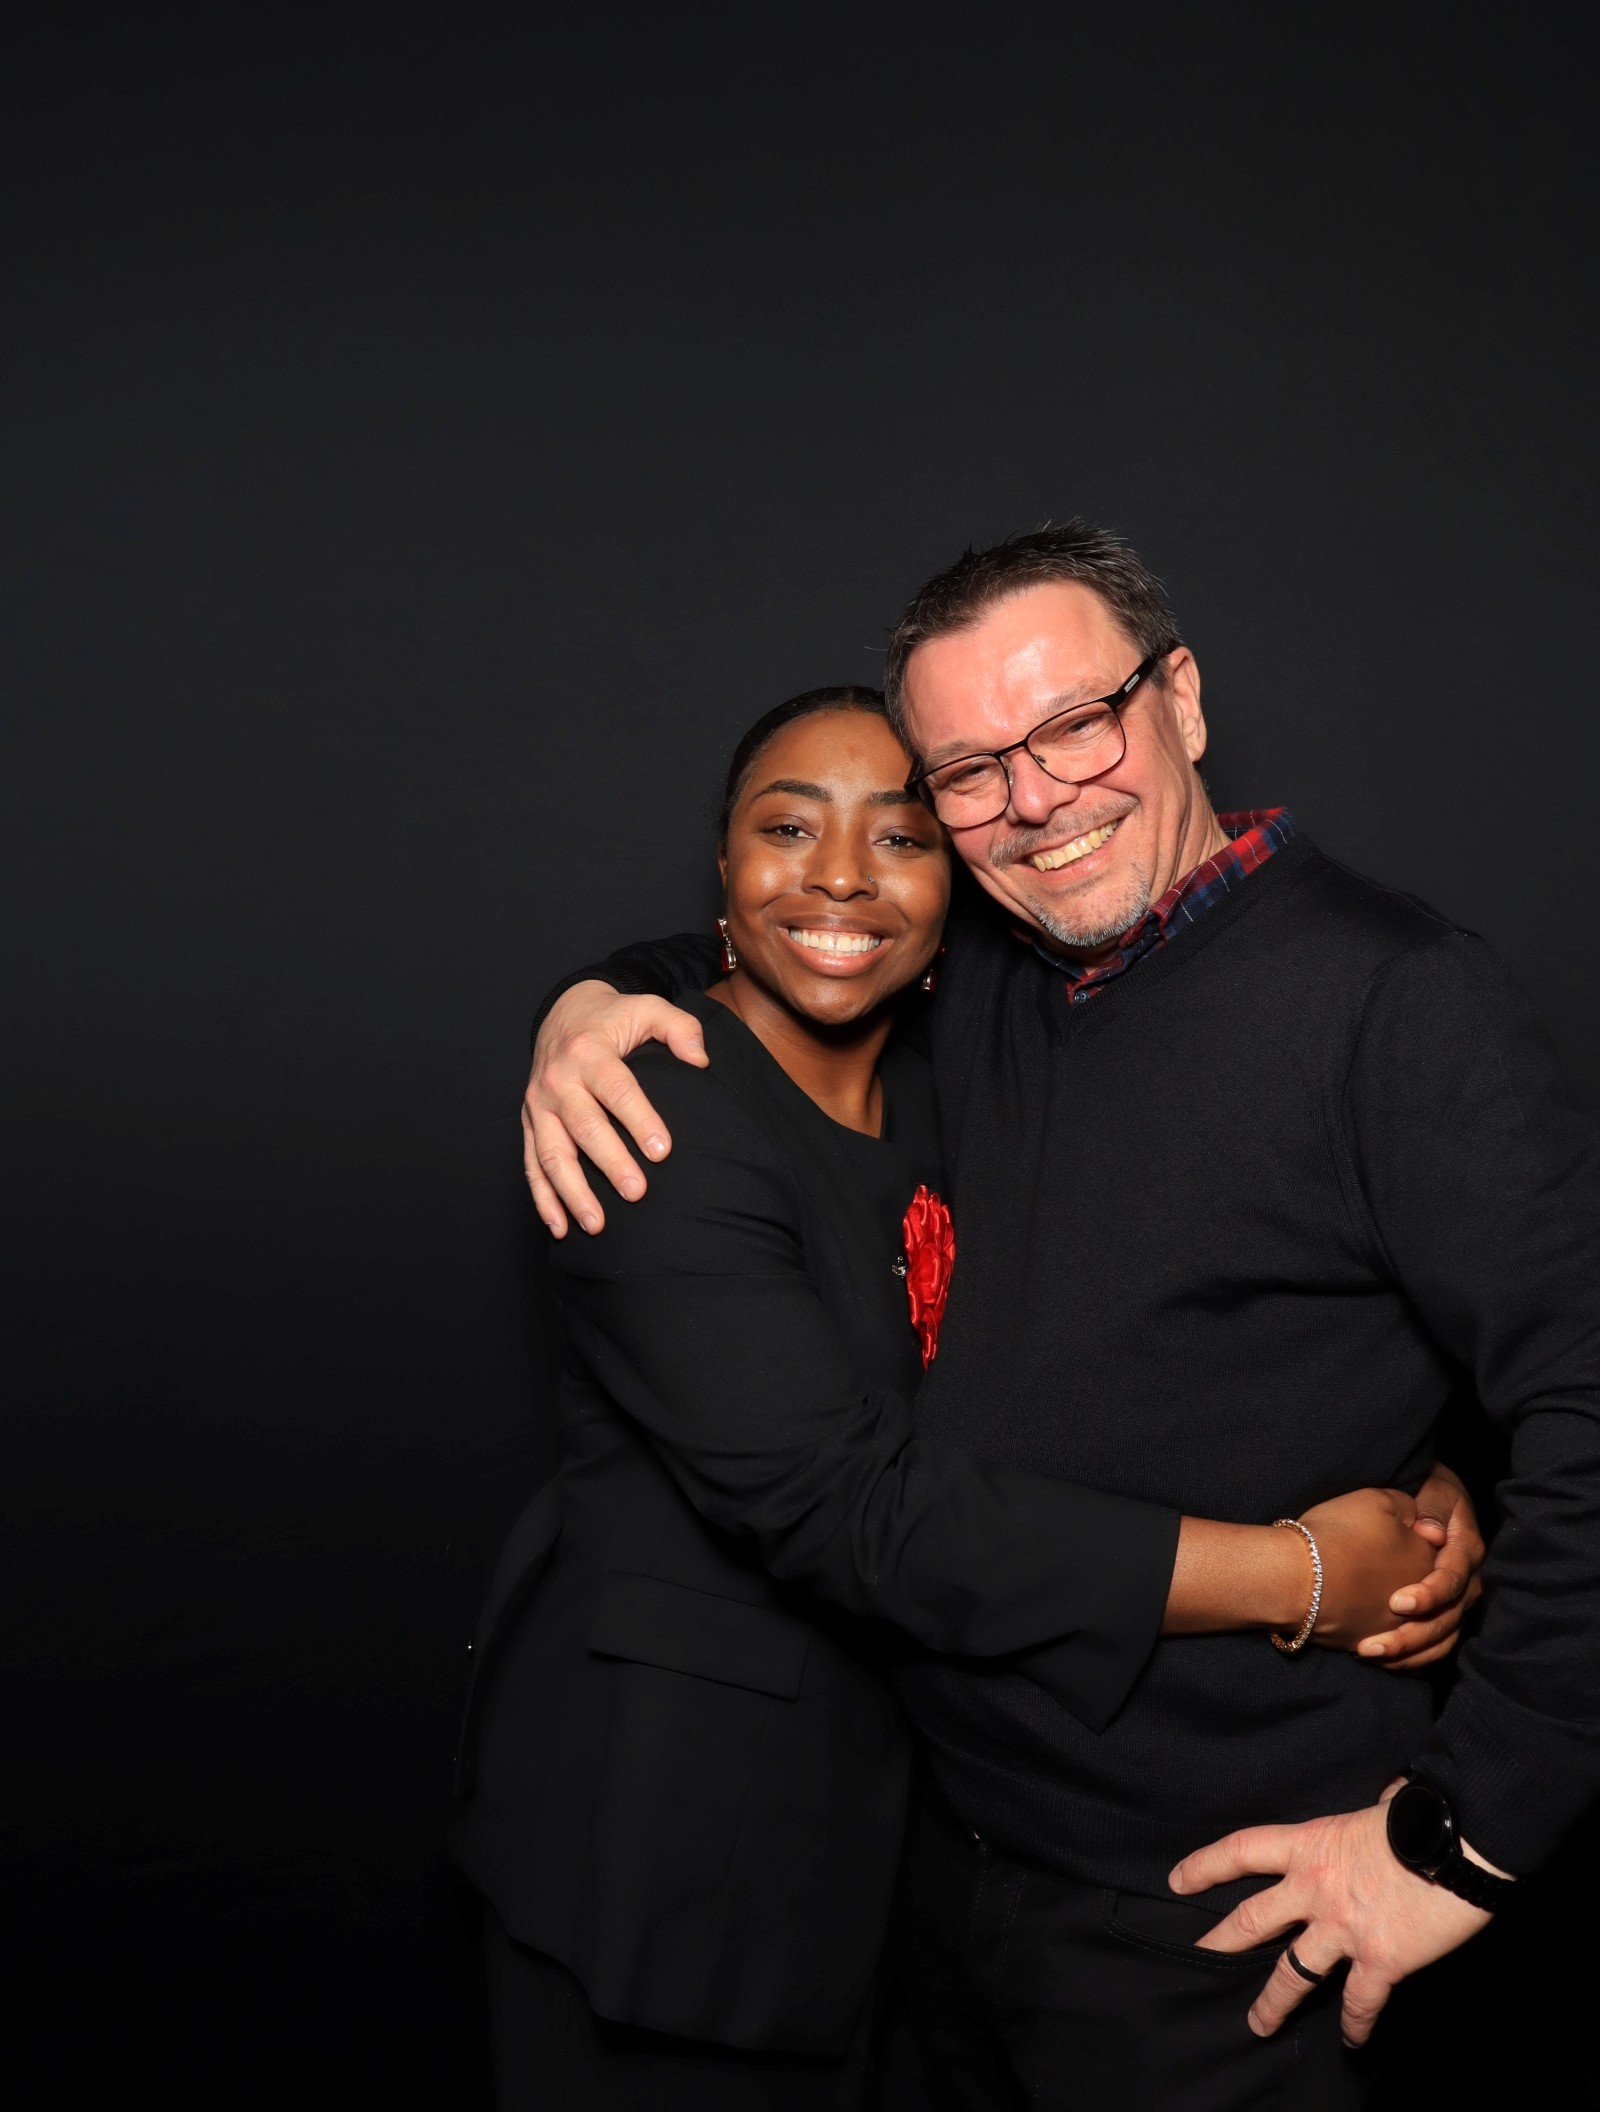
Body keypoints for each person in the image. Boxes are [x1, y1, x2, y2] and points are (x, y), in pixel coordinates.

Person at [521, 524, 1600, 2109]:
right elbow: (807, 929)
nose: (1034, 801)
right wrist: (592, 1003)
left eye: (1073, 727)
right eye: (969, 771)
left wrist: (1470, 1836)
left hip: (1220, 1911)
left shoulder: (1398, 1000)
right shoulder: (1013, 963)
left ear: (1182, 701)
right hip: (943, 1872)